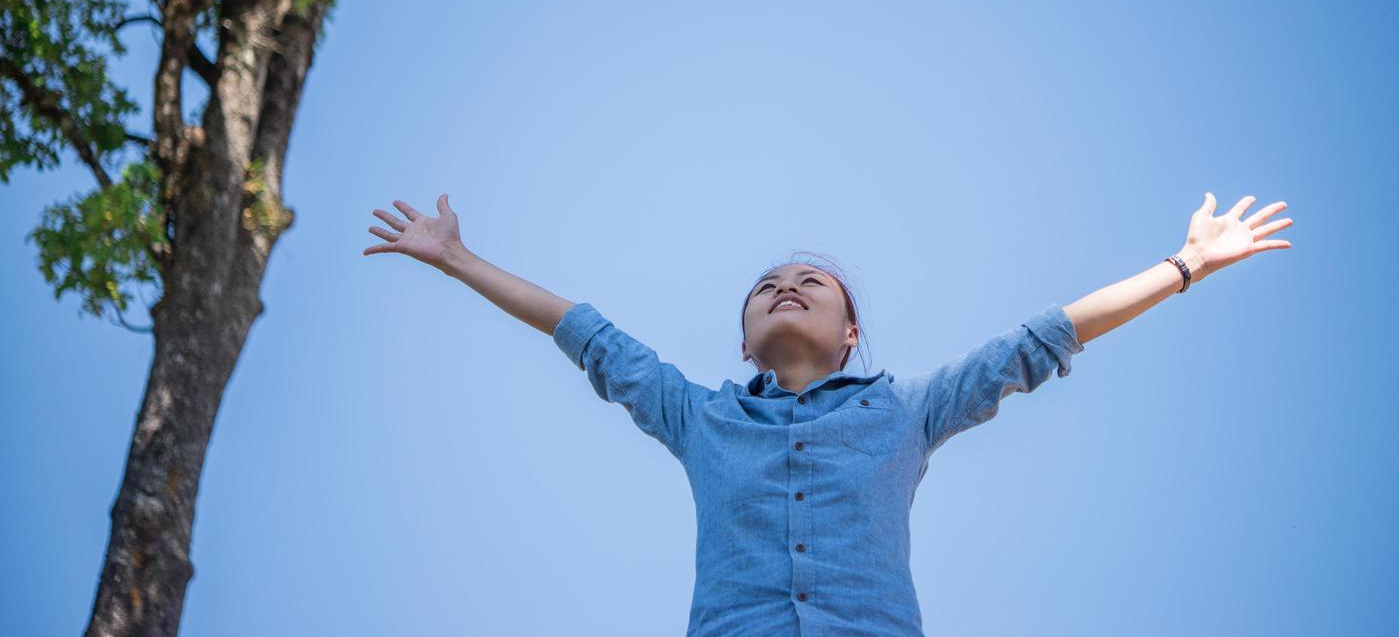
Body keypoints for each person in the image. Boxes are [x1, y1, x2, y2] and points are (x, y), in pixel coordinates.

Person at [363, 191, 1292, 635]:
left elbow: (1041, 338)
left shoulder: (909, 411)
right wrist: (456, 258)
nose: (786, 287)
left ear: (850, 335)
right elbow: (588, 334)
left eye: (812, 283)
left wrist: (1184, 267)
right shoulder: (699, 417)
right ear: (742, 340)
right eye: (767, 285)